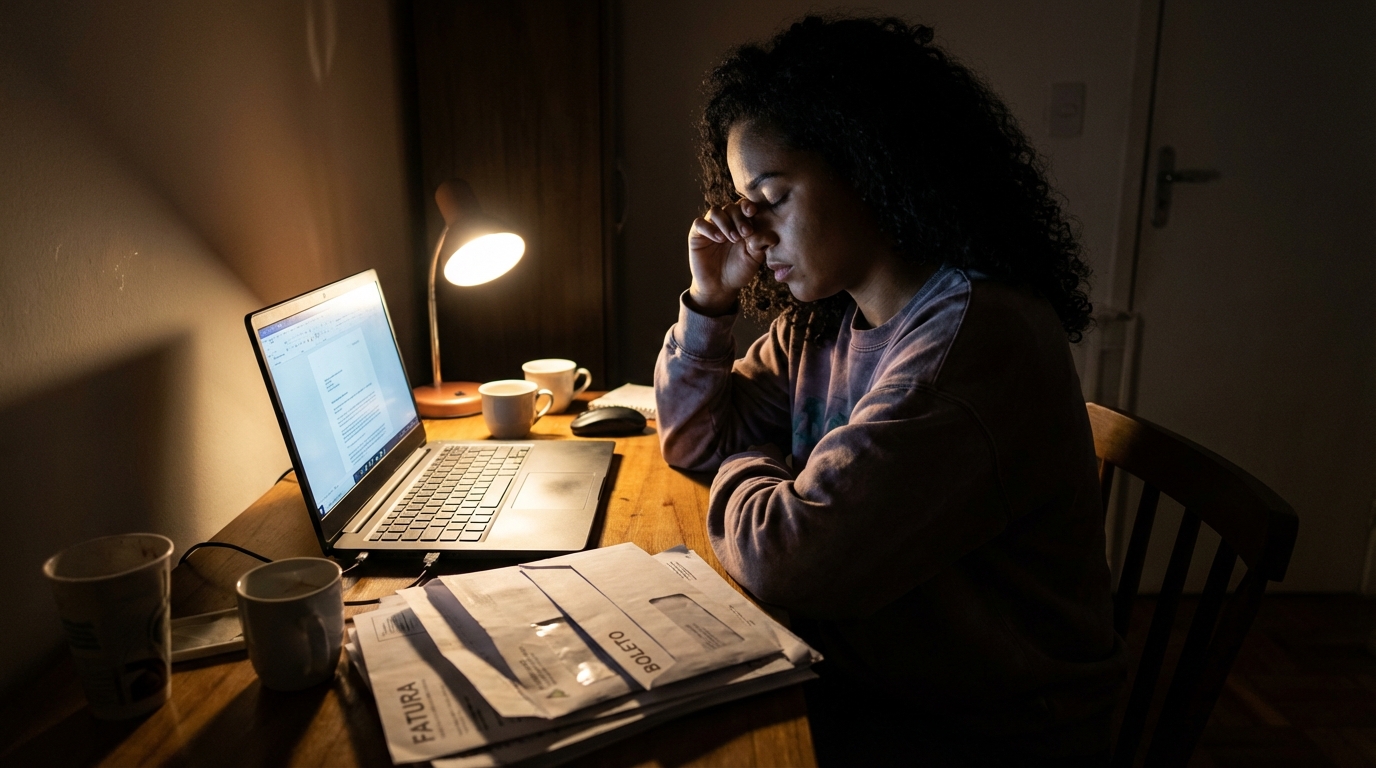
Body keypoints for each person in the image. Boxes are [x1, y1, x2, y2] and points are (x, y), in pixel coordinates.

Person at [653, 16, 1125, 767]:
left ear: (870, 166)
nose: (752, 234)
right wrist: (709, 302)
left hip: (987, 732)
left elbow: (789, 559)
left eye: (771, 197)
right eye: (743, 206)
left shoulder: (973, 342)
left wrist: (755, 463)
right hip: (875, 676)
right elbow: (692, 440)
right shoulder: (825, 321)